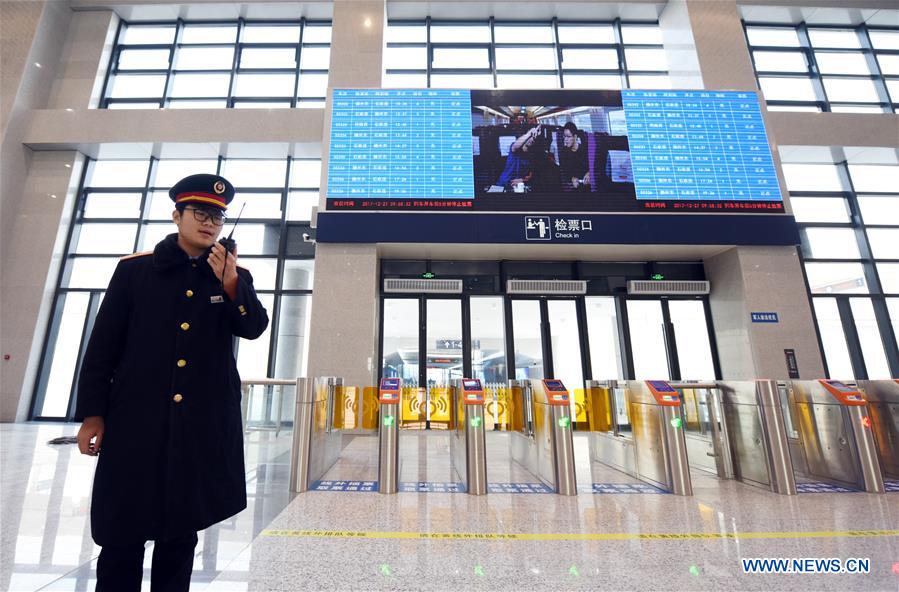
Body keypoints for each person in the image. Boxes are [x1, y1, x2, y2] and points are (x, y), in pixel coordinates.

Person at [75, 173, 269, 592]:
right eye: (200, 213)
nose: (210, 223)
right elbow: (103, 347)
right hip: (135, 421)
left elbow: (253, 328)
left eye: (218, 216)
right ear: (176, 214)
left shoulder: (234, 275)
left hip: (199, 425)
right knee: (122, 532)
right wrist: (93, 414)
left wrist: (232, 283)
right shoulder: (134, 272)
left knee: (180, 534)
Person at [495, 124, 559, 192]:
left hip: (518, 187)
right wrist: (530, 133)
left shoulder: (532, 154)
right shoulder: (515, 149)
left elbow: (530, 175)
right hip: (504, 184)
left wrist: (522, 180)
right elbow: (516, 145)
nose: (532, 139)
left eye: (534, 137)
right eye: (530, 136)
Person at [559, 122, 590, 191]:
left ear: (575, 137)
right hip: (572, 187)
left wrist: (589, 173)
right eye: (564, 136)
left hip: (587, 186)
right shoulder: (563, 152)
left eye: (568, 136)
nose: (565, 139)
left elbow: (592, 166)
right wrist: (572, 178)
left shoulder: (585, 149)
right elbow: (564, 172)